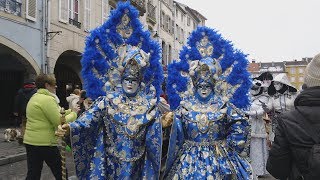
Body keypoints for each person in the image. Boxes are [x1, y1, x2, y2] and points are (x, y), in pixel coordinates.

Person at [55, 2, 165, 179]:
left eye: (134, 80)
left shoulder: (148, 106)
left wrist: (162, 124)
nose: (130, 83)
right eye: (127, 79)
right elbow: (88, 122)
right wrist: (71, 128)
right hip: (111, 165)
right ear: (120, 79)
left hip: (138, 167)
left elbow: (154, 139)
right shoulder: (107, 101)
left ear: (140, 80)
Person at [164, 27, 253, 179]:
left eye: (207, 86)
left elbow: (240, 122)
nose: (204, 90)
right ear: (195, 86)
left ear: (213, 86)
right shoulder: (185, 106)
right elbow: (174, 131)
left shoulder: (223, 104)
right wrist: (168, 122)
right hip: (188, 160)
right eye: (201, 86)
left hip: (220, 158)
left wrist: (229, 145)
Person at [267, 53, 320, 179]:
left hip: (293, 122)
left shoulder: (288, 120)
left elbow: (277, 169)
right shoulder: (274, 99)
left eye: (278, 84)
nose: (276, 86)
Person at [24, 74, 78, 180]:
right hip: (45, 142)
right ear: (47, 85)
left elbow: (57, 112)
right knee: (60, 172)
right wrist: (74, 114)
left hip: (31, 141)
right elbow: (59, 121)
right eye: (54, 84)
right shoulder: (47, 99)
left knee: (33, 173)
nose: (56, 87)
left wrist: (70, 111)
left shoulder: (35, 97)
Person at [246, 79, 269, 178]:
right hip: (247, 126)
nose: (254, 90)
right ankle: (248, 169)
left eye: (256, 88)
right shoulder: (247, 97)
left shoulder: (264, 99)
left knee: (257, 148)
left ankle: (258, 170)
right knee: (247, 148)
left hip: (258, 127)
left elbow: (261, 112)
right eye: (252, 88)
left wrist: (248, 113)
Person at [266, 73, 297, 143]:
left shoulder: (293, 95)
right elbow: (268, 107)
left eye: (277, 83)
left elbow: (298, 106)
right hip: (277, 122)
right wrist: (263, 107)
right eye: (274, 84)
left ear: (283, 83)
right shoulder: (273, 97)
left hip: (291, 121)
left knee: (291, 140)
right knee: (278, 142)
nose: (275, 85)